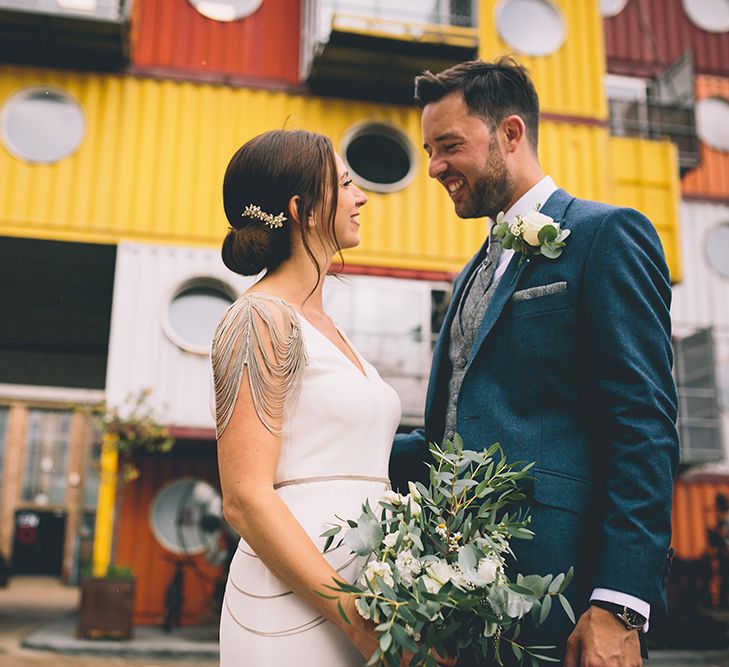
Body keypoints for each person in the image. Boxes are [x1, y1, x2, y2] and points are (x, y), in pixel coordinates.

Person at [389, 57, 680, 666]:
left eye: (449, 146)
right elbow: (453, 435)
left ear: (511, 134)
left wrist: (620, 603)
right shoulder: (474, 270)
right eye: (428, 149)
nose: (435, 167)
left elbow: (642, 426)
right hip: (462, 598)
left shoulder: (606, 236)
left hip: (562, 599)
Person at [211, 129, 453, 666]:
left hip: (372, 592)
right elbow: (245, 497)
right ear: (303, 210)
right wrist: (359, 620)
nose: (361, 196)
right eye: (345, 183)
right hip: (295, 608)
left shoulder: (326, 326)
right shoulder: (259, 318)